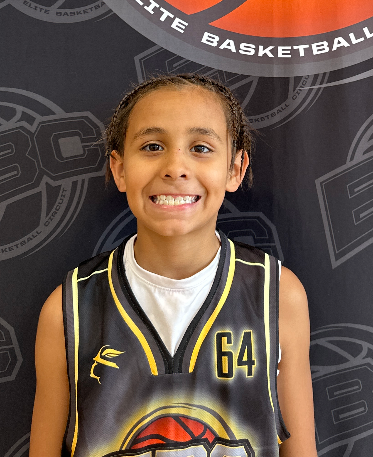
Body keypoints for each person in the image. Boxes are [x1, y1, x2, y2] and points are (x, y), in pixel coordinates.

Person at [30, 74, 318, 457]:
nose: (175, 167)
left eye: (201, 148)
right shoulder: (69, 309)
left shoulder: (278, 294)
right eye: (152, 146)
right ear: (119, 169)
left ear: (235, 169)